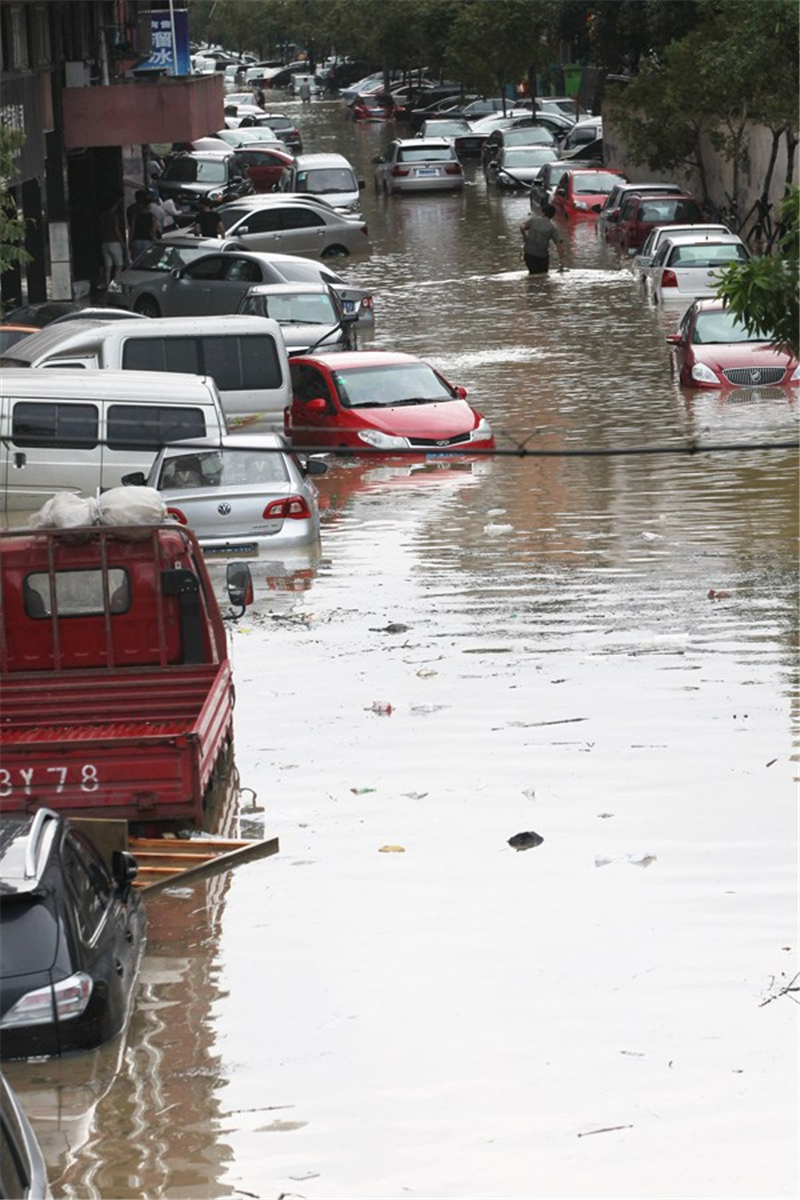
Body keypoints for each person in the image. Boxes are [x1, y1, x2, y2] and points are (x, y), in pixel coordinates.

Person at [518, 202, 564, 275]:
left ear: (543, 213)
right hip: (542, 256)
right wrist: (561, 259)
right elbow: (558, 245)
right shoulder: (552, 228)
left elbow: (521, 227)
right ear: (552, 215)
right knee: (543, 276)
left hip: (529, 253)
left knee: (533, 275)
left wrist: (525, 238)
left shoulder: (533, 220)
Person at [98, 195, 127, 290]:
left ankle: (107, 285)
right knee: (119, 265)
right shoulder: (114, 216)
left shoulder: (102, 215)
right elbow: (116, 229)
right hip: (114, 242)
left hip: (104, 243)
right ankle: (114, 285)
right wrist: (122, 242)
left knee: (108, 266)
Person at [128, 190, 157, 261]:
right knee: (146, 260)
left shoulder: (135, 216)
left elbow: (132, 229)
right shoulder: (152, 217)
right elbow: (153, 231)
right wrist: (155, 241)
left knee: (135, 260)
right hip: (147, 241)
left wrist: (130, 241)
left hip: (136, 241)